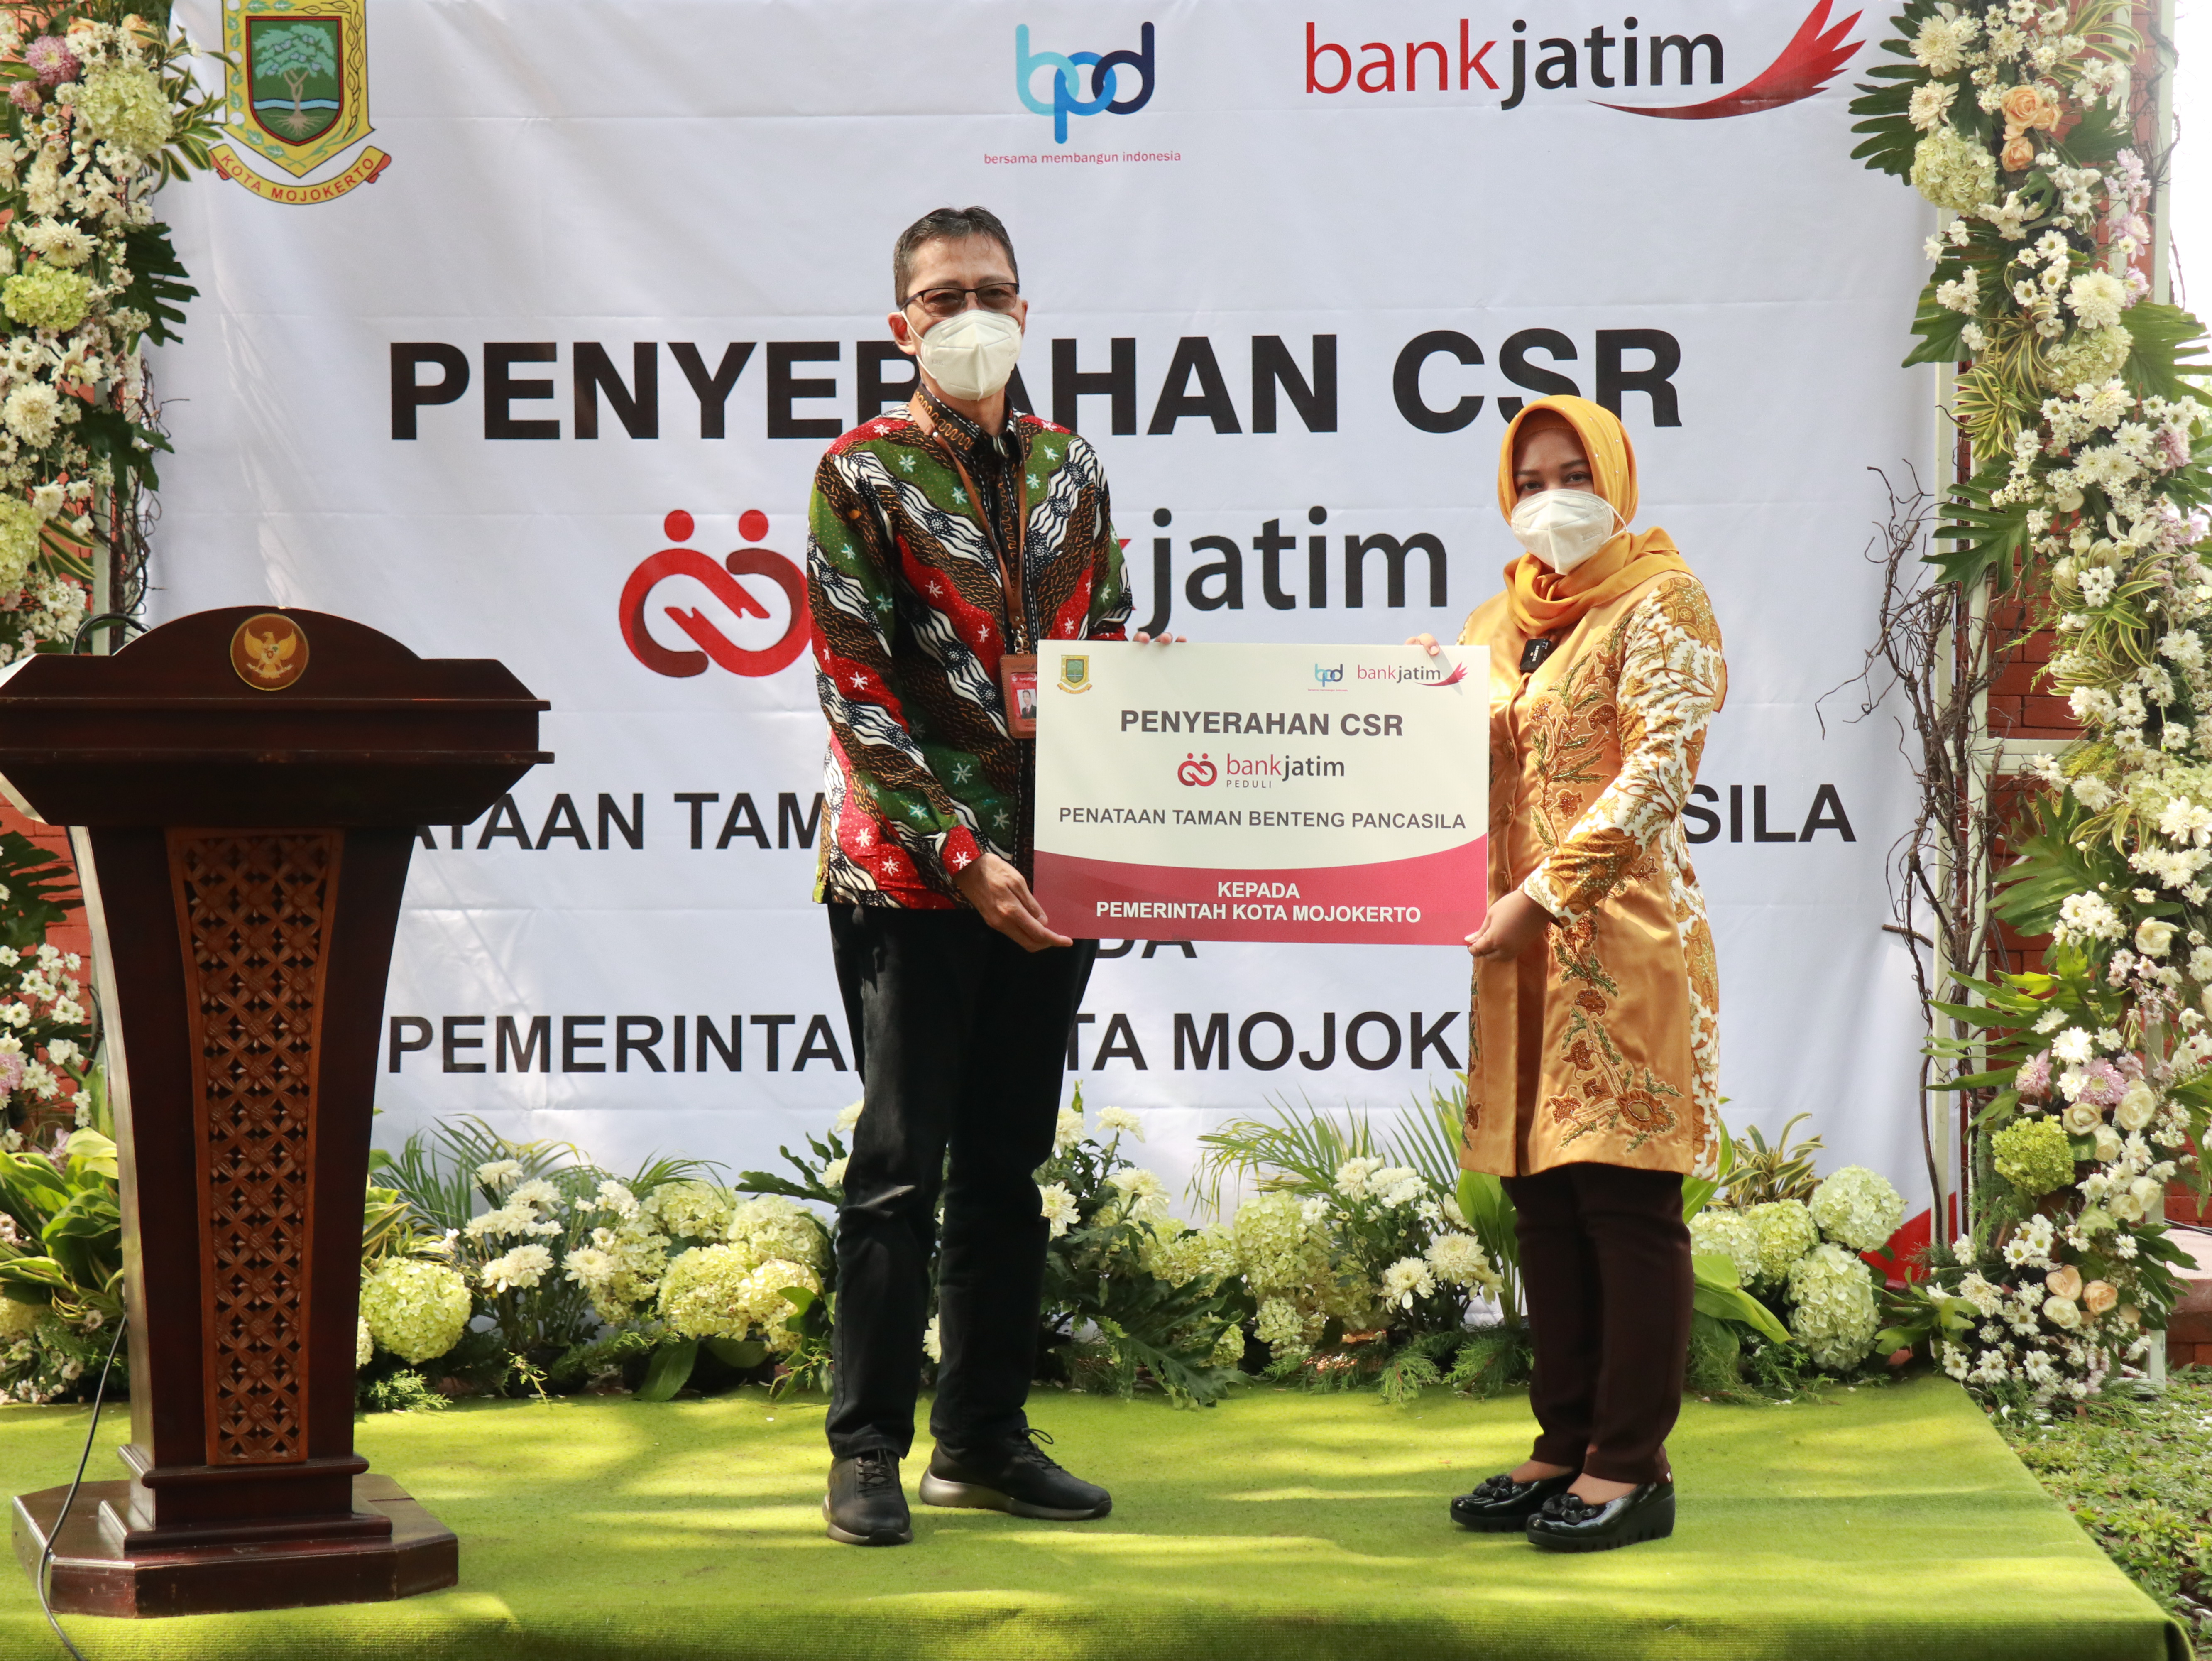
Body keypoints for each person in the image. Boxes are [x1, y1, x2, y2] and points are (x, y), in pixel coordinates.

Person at [805, 205, 1168, 1548]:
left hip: (1052, 873)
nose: (971, 315)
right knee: (900, 1168)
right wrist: (962, 859)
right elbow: (854, 687)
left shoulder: (1074, 465)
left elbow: (1104, 638)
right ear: (900, 324)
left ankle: (982, 1443)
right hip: (913, 878)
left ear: (1027, 309)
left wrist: (1145, 689)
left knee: (1010, 1169)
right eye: (944, 296)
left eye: (992, 292)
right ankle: (865, 1451)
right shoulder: (861, 473)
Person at [1411, 394, 1725, 1553]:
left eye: (1574, 474)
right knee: (1542, 1198)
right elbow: (1447, 765)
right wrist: (1392, 712)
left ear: (1616, 479)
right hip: (1514, 949)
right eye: (1532, 479)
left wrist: (1546, 894)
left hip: (1622, 939)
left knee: (1622, 1198)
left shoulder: (1662, 599)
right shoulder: (1494, 623)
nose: (1553, 499)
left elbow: (1659, 772)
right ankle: (1565, 1440)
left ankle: (1631, 1463)